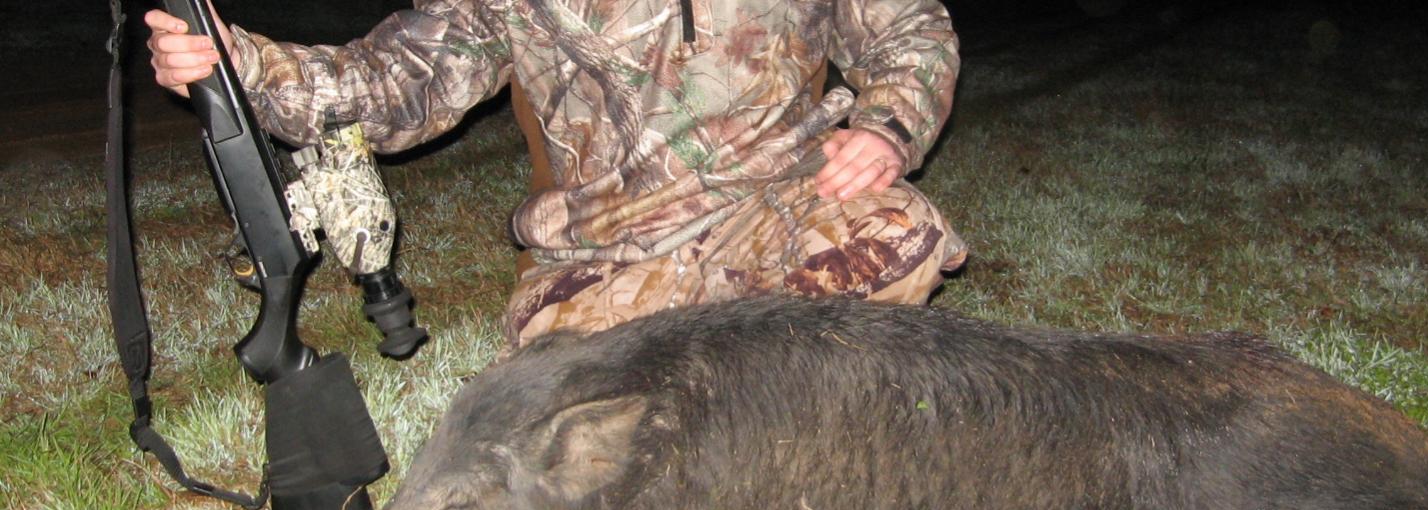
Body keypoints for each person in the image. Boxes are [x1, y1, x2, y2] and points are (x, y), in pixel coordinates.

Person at [146, 0, 966, 347]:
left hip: (775, 211)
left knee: (899, 234)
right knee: (565, 415)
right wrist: (244, 66)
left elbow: (909, 28)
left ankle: (770, 396)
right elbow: (397, 83)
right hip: (603, 251)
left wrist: (887, 128)